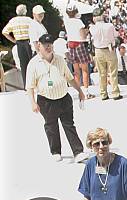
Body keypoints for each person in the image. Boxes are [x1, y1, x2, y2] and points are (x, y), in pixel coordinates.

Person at [26, 34, 88, 164]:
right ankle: (55, 151)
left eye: (50, 44)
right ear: (39, 46)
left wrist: (80, 91)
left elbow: (70, 78)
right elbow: (30, 86)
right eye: (45, 45)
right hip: (46, 100)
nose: (48, 47)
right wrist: (33, 103)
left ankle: (78, 152)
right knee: (51, 126)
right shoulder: (33, 63)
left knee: (69, 125)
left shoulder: (60, 59)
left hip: (63, 97)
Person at [89, 8, 122, 101]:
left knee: (101, 73)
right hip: (110, 49)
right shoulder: (109, 26)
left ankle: (103, 94)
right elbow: (116, 35)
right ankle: (115, 92)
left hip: (98, 50)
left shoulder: (92, 28)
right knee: (113, 73)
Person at [63, 4, 93, 100]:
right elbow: (82, 36)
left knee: (76, 72)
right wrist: (87, 30)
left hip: (70, 45)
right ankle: (86, 92)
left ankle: (78, 92)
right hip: (79, 45)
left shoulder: (66, 21)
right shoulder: (78, 22)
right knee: (85, 70)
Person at [2, 4, 33, 85]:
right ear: (25, 11)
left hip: (19, 43)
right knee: (32, 63)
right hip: (29, 42)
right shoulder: (29, 20)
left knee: (23, 65)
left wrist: (14, 40)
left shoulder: (13, 21)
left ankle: (27, 86)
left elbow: (4, 32)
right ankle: (34, 84)